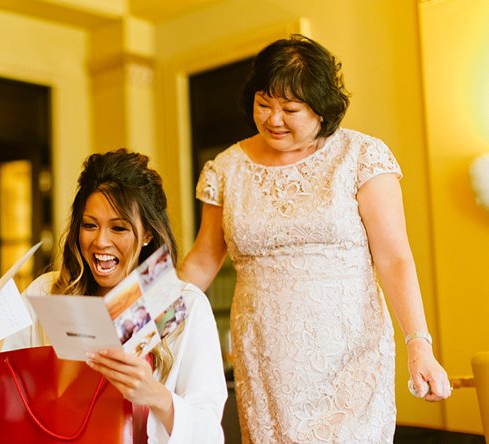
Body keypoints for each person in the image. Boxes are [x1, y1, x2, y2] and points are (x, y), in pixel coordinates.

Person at [178, 34, 450, 443]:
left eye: (290, 109)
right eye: (263, 104)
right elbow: (202, 260)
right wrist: (152, 323)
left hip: (349, 358)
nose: (273, 119)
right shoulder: (227, 168)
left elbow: (394, 257)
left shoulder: (360, 156)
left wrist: (419, 344)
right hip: (264, 359)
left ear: (323, 109)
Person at [0, 149, 227, 442]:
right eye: (89, 225)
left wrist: (155, 395)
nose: (100, 241)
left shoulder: (182, 304)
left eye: (118, 227)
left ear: (147, 234)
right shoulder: (47, 292)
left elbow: (208, 434)